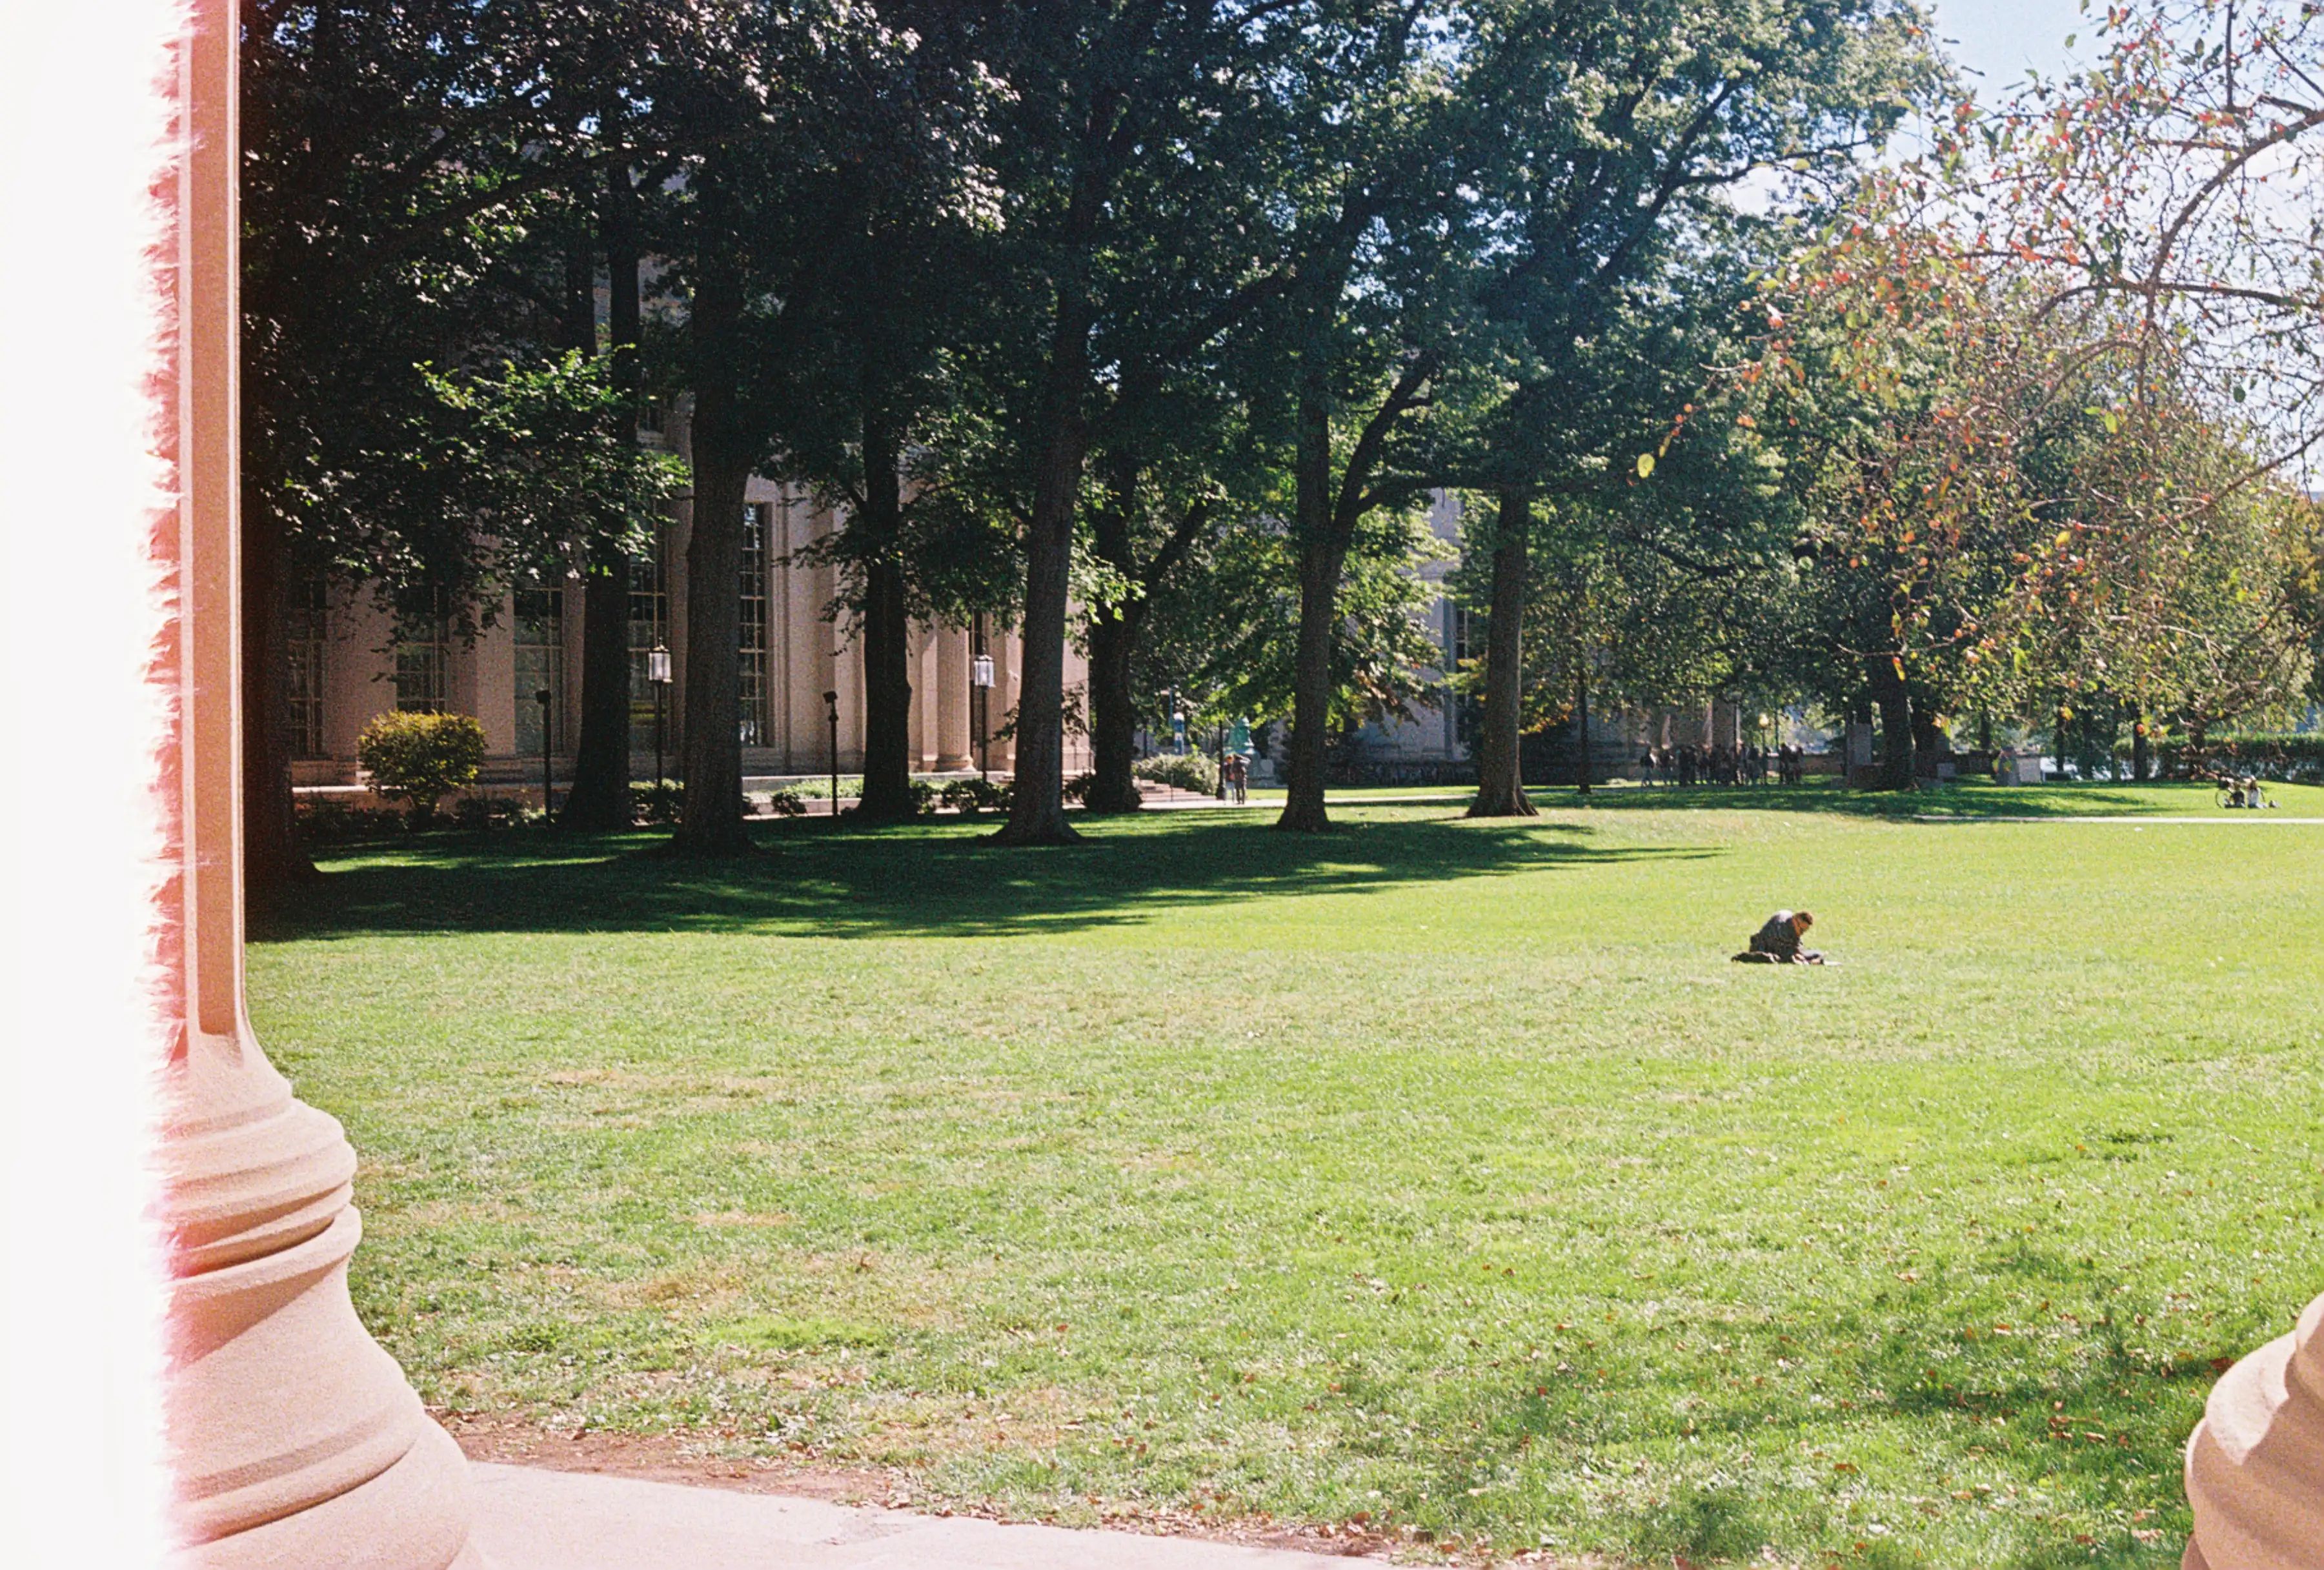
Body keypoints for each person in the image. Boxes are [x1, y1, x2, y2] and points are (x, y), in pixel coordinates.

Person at [1733, 909, 1824, 964]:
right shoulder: (1780, 926)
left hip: (1782, 949)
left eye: (1804, 931)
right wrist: (1797, 957)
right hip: (1765, 948)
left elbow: (1796, 945)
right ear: (1795, 920)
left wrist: (1799, 954)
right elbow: (1780, 948)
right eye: (1801, 930)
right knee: (1773, 959)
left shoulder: (1792, 927)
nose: (1802, 933)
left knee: (1817, 954)